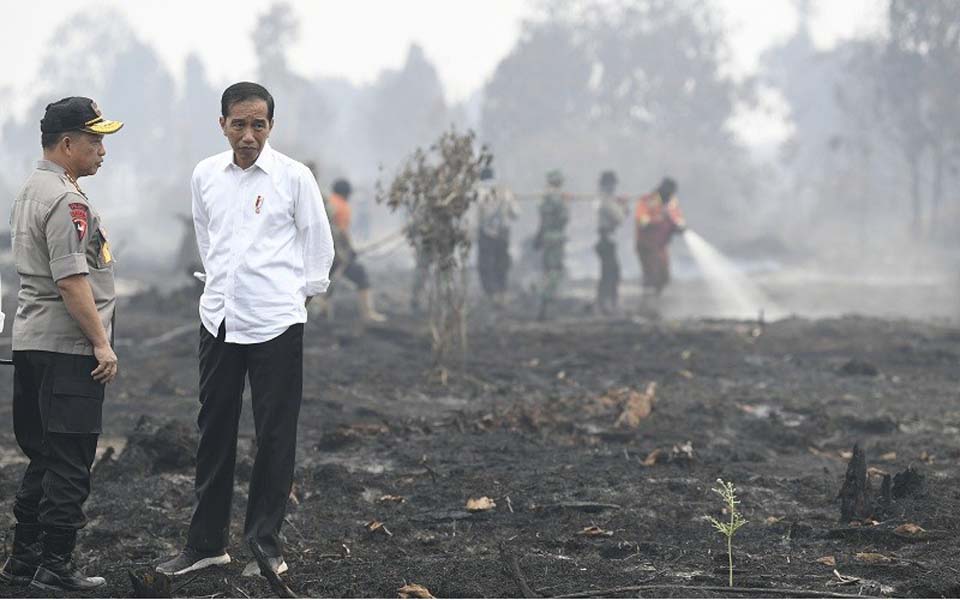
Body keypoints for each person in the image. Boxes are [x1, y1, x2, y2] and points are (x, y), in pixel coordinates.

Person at [157, 82, 334, 577]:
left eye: (259, 124)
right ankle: (206, 543)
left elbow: (319, 249)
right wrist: (222, 287)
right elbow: (206, 235)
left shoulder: (294, 178)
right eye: (239, 124)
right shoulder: (205, 175)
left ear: (271, 126)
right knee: (214, 431)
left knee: (275, 436)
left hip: (276, 323)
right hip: (218, 319)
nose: (249, 134)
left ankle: (265, 546)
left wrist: (291, 297)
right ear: (223, 125)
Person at [2, 97, 122, 592]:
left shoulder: (30, 189)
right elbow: (73, 280)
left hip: (31, 343)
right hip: (67, 350)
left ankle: (23, 559)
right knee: (71, 460)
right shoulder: (68, 200)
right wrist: (102, 344)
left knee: (45, 457)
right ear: (67, 143)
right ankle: (57, 564)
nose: (102, 151)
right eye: (95, 141)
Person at [325, 178, 386, 323]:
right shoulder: (343, 207)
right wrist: (351, 250)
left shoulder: (327, 202)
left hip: (321, 253)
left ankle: (323, 312)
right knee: (361, 276)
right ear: (346, 194)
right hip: (336, 254)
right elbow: (342, 232)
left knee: (326, 282)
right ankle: (368, 313)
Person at [635, 177, 686, 310]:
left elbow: (678, 219)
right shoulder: (648, 201)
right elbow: (642, 221)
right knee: (651, 275)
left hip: (660, 246)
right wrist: (659, 218)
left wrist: (680, 226)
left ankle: (653, 302)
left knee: (664, 276)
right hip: (647, 245)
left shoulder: (671, 203)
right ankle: (647, 307)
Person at [475, 166, 518, 309]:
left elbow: (474, 216)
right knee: (502, 264)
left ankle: (491, 294)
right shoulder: (505, 191)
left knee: (485, 265)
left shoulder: (478, 192)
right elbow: (516, 213)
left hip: (485, 233)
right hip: (503, 233)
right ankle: (502, 293)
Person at [534, 169, 569, 321]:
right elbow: (564, 218)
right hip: (556, 237)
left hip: (547, 237)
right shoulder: (557, 198)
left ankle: (545, 305)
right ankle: (548, 305)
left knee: (548, 271)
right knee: (554, 272)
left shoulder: (545, 198)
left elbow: (542, 222)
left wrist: (539, 237)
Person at [594, 170, 629, 315]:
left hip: (607, 239)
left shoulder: (604, 199)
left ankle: (607, 303)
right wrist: (623, 206)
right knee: (611, 274)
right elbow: (619, 218)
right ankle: (607, 304)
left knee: (610, 273)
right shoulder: (605, 200)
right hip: (606, 240)